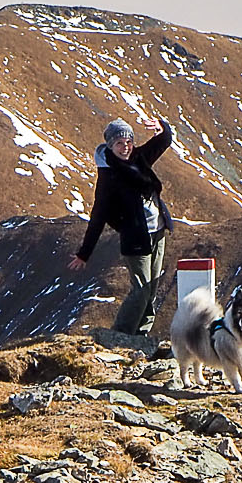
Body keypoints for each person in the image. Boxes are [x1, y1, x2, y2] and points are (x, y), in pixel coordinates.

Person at [69, 117, 174, 339]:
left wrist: (161, 125)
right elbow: (98, 217)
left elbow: (165, 140)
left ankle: (140, 336)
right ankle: (119, 337)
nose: (125, 147)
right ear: (110, 146)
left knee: (152, 289)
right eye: (119, 143)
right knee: (141, 290)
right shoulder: (109, 176)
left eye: (128, 141)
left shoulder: (139, 158)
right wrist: (84, 254)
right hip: (135, 240)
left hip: (158, 233)